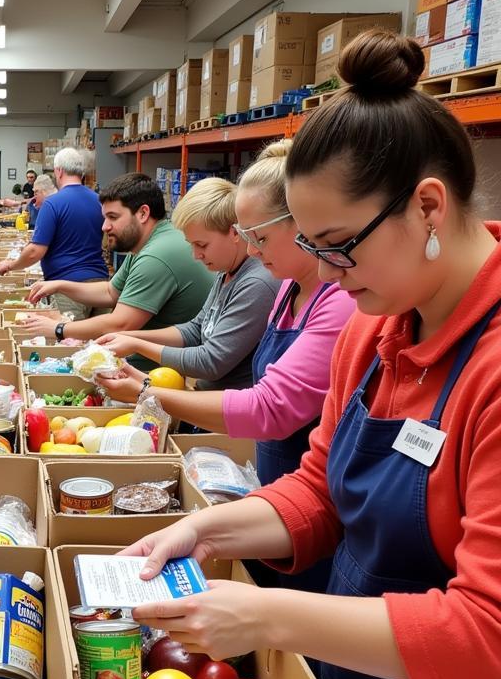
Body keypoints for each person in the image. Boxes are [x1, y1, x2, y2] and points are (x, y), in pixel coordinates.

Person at [123, 30, 501, 679]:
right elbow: (320, 491)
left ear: (428, 207)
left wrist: (265, 615)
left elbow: (485, 631)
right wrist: (210, 532)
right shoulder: (375, 322)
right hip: (339, 678)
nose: (323, 275)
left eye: (339, 247)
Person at [99, 147, 354, 592]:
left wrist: (146, 390)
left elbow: (266, 402)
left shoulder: (320, 295)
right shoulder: (286, 287)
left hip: (306, 499)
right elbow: (201, 330)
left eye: (258, 237)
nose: (254, 249)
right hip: (285, 490)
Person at [98, 176, 278, 392]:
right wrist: (129, 336)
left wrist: (138, 345)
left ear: (235, 233)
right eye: (191, 245)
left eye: (202, 245)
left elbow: (211, 361)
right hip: (205, 395)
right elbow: (195, 330)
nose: (196, 255)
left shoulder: (256, 284)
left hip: (227, 410)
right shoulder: (226, 271)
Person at [20, 173, 210, 362]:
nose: (105, 227)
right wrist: (60, 285)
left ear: (143, 213)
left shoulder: (156, 256)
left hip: (161, 369)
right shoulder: (149, 243)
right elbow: (111, 292)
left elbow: (120, 324)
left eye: (113, 217)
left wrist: (58, 329)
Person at [0, 147, 109, 318]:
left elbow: (35, 251)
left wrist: (11, 265)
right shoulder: (99, 201)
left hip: (68, 287)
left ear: (59, 171)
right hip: (100, 285)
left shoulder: (53, 204)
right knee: (98, 343)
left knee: (71, 341)